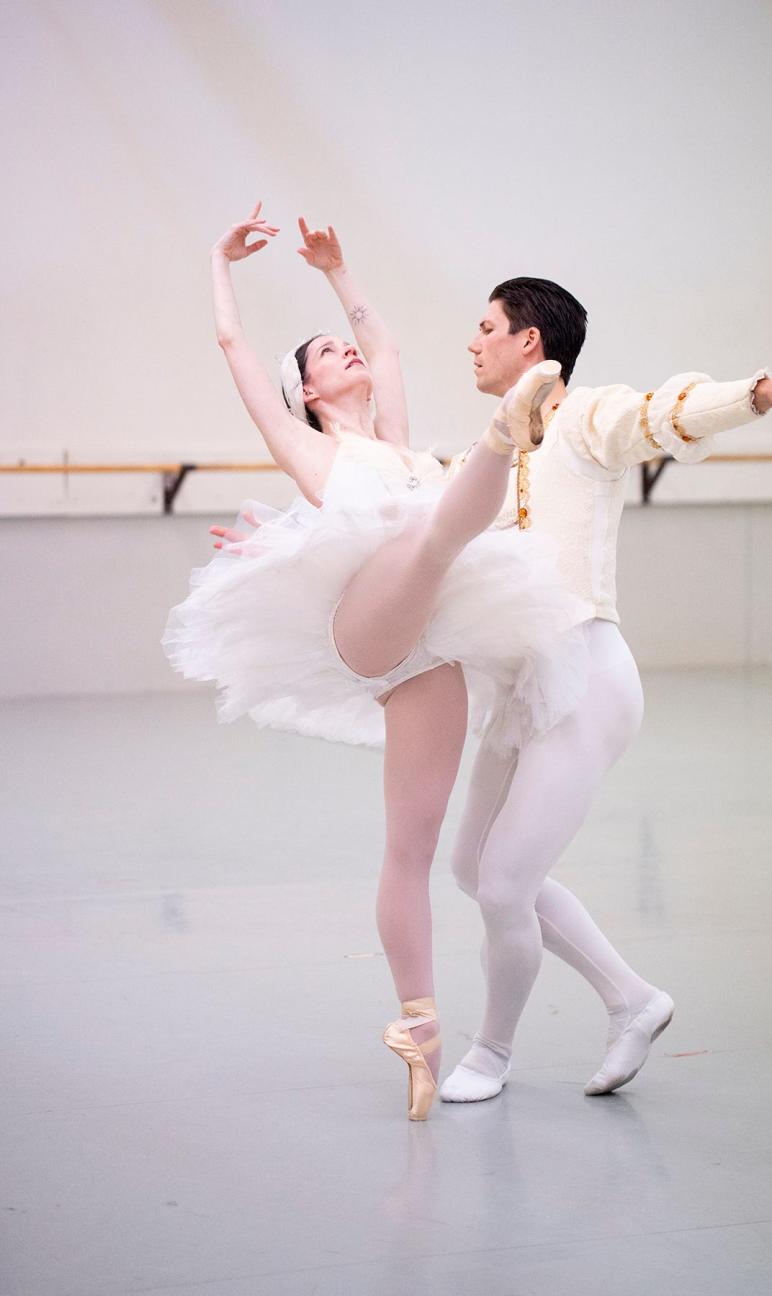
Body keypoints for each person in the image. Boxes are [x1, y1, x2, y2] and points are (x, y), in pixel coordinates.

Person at [162, 207, 591, 1121]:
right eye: (324, 352)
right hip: (365, 623)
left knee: (413, 849)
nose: (345, 354)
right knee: (436, 531)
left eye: (341, 346)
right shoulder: (311, 445)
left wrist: (338, 275)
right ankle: (504, 437)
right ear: (306, 390)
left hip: (425, 647)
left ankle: (419, 1026)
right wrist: (218, 261)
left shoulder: (391, 439)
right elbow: (232, 343)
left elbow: (383, 346)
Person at [438, 277, 772, 1102]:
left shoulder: (588, 418)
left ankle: (490, 1053)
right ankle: (634, 1000)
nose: (472, 342)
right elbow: (417, 512)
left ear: (530, 342)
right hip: (523, 687)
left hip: (587, 679)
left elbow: (665, 412)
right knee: (470, 870)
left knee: (502, 886)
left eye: (486, 327)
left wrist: (758, 394)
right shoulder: (486, 453)